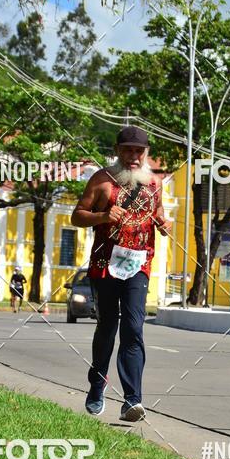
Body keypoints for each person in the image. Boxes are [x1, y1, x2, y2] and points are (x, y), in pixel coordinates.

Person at [71, 125, 171, 421]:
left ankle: (132, 400)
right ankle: (97, 386)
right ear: (117, 150)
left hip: (139, 264)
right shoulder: (102, 181)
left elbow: (159, 212)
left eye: (138, 151)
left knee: (133, 328)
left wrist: (163, 224)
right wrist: (102, 215)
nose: (133, 156)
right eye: (127, 150)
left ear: (145, 154)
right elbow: (76, 216)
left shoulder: (154, 183)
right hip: (104, 265)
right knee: (106, 328)